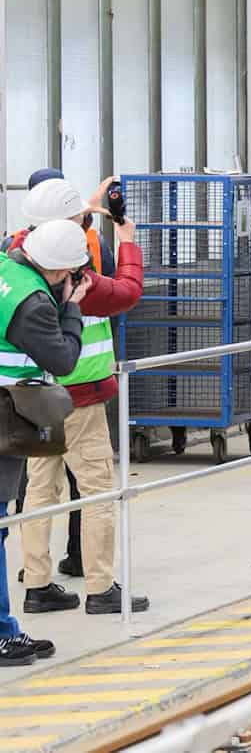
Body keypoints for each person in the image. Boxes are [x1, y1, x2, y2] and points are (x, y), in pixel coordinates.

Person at [12, 178, 148, 615]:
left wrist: (88, 207)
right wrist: (127, 241)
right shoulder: (72, 278)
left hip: (33, 395)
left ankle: (36, 584)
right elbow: (127, 292)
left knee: (39, 489)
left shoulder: (16, 257)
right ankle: (100, 587)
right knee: (96, 491)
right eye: (78, 219)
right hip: (81, 396)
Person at [0, 220, 94, 663]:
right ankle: (2, 633)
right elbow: (64, 359)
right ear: (62, 272)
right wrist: (72, 306)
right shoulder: (35, 303)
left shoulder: (6, 267)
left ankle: (5, 628)